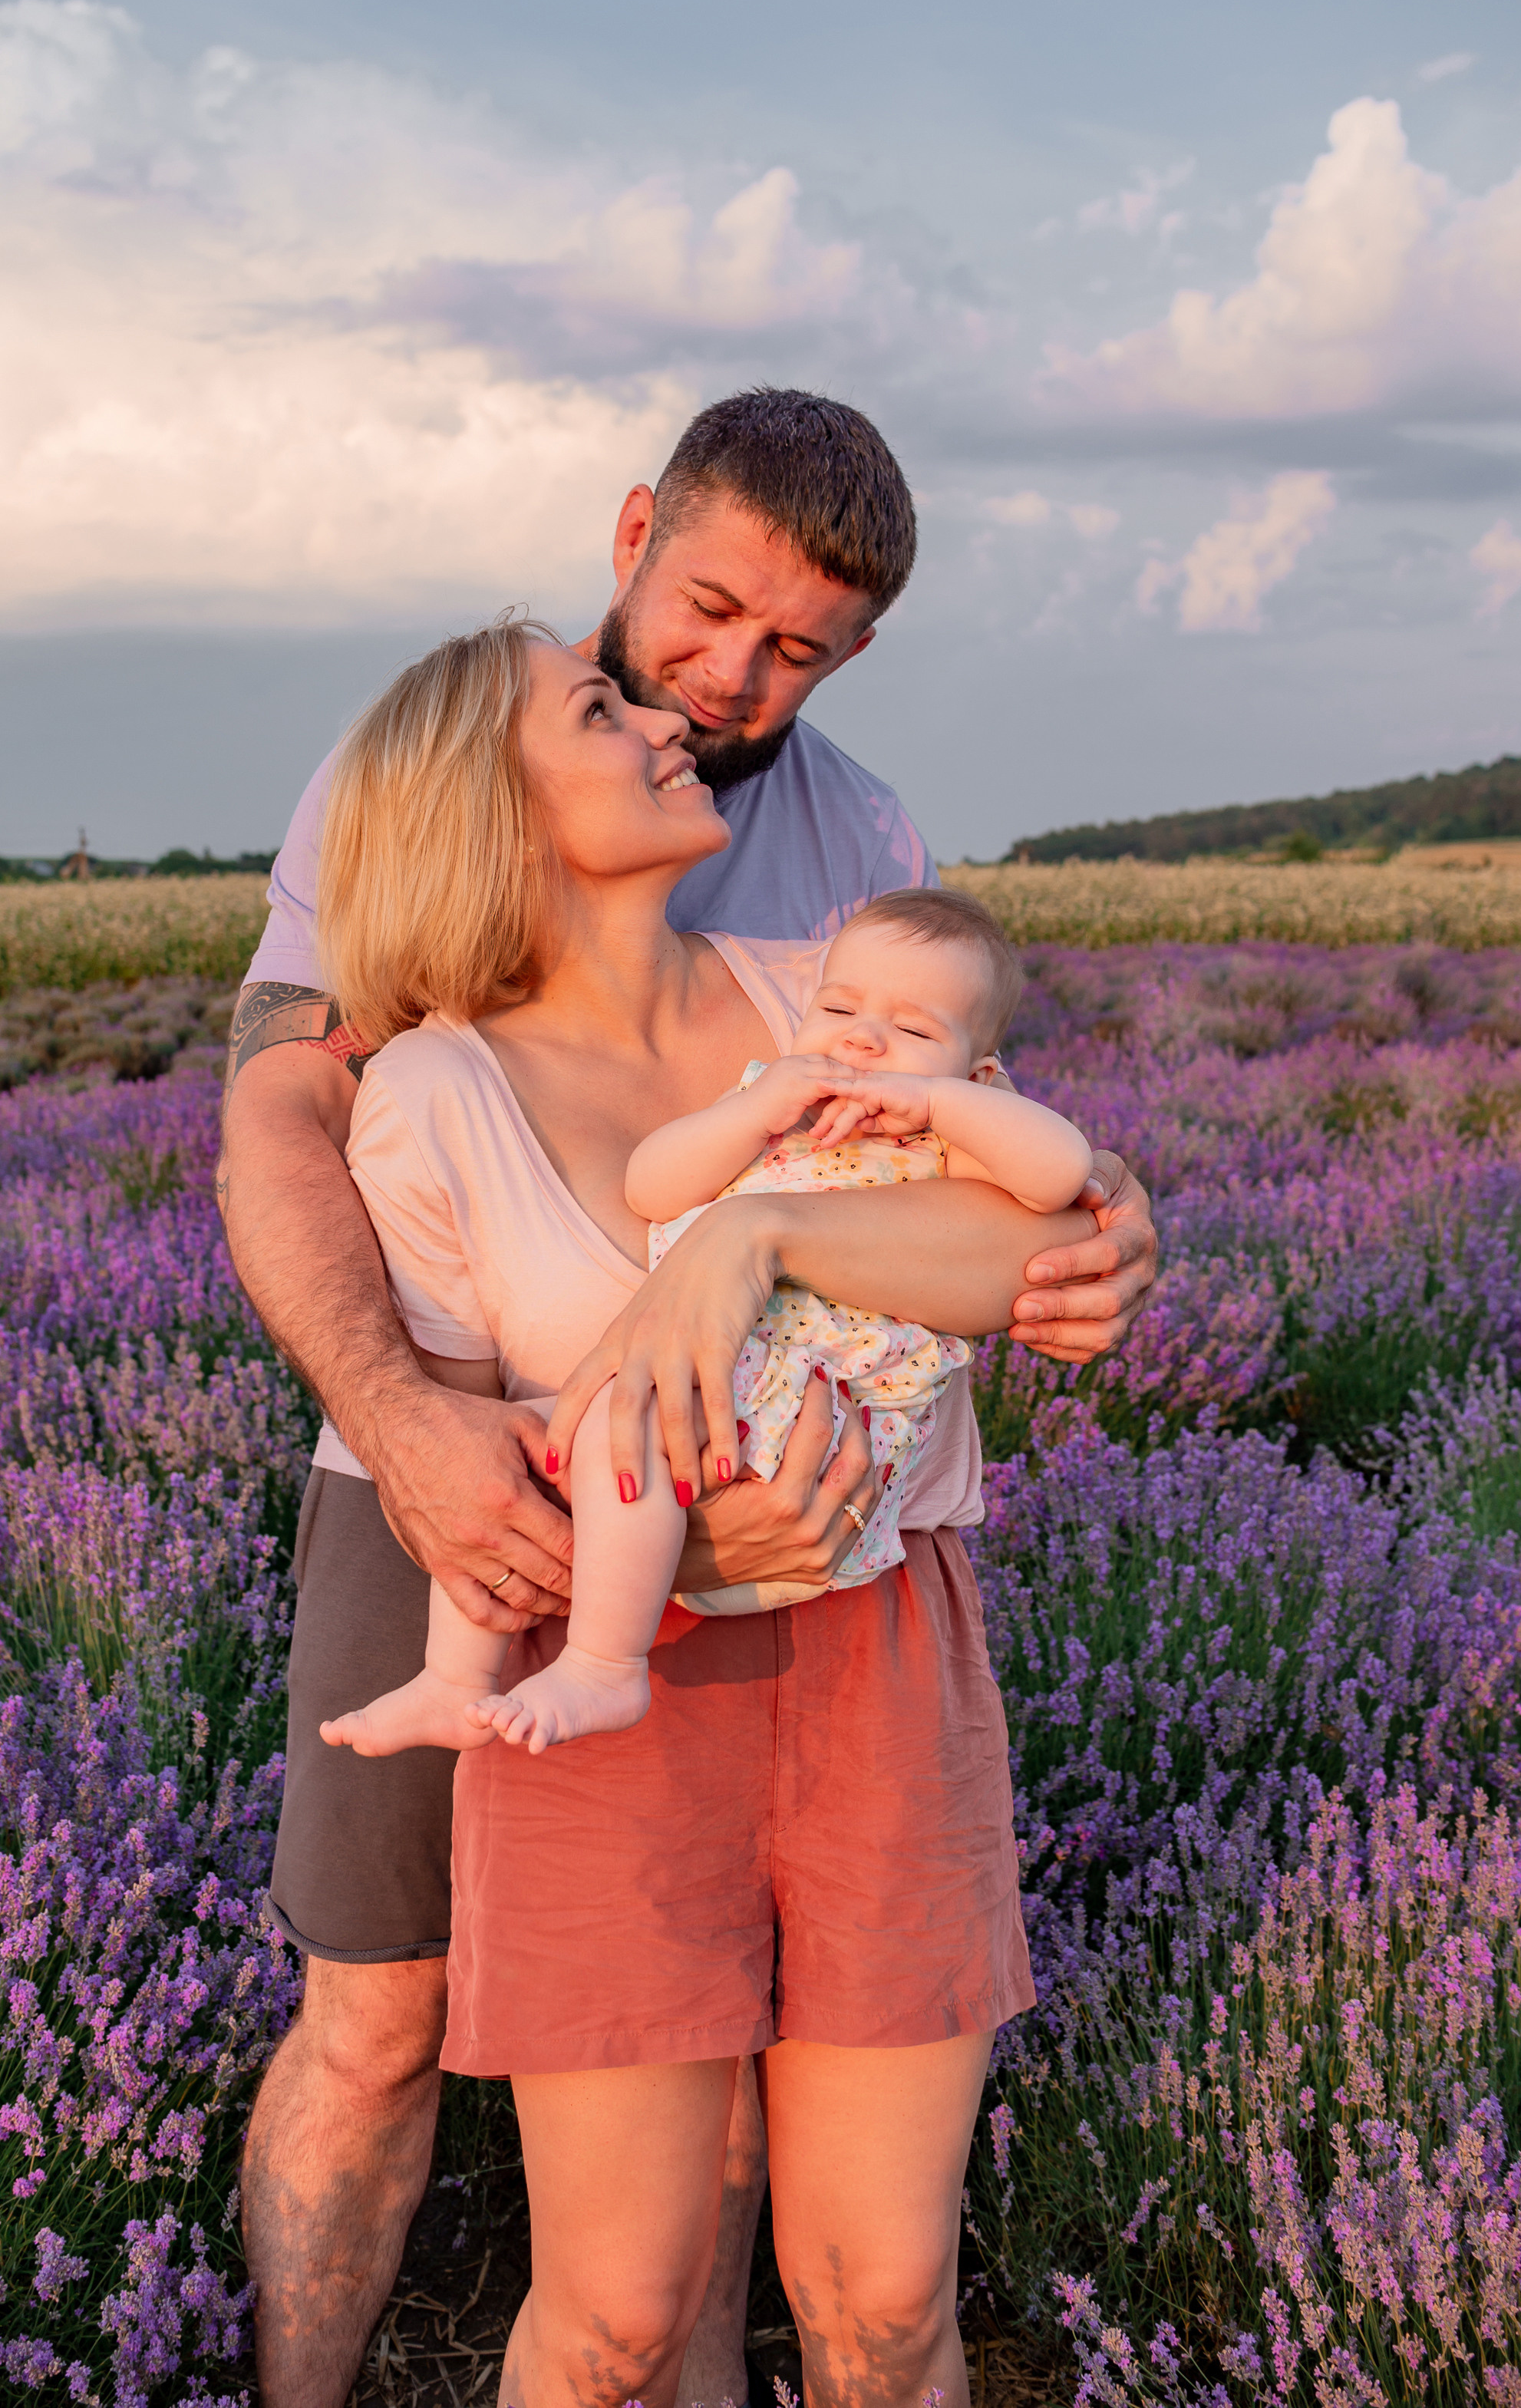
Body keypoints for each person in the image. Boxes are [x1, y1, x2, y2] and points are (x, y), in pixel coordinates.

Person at [219, 389, 1158, 2408]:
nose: (721, 688)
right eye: (705, 611)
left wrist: (1074, 1223)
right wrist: (410, 1426)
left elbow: (958, 1144)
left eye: (793, 649)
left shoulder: (850, 846)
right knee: (377, 2012)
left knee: (760, 2156)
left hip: (817, 1583)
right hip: (455, 1451)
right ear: (637, 526)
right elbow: (286, 1115)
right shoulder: (453, 765)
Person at [318, 879, 1091, 1761]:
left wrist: (943, 1105)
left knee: (614, 1431)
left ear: (977, 1069)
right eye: (836, 1006)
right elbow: (652, 1186)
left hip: (807, 1427)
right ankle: (454, 1680)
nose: (863, 1038)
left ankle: (606, 1661)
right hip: (708, 1382)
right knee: (516, 1461)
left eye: (913, 1031)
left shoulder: (946, 1138)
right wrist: (752, 1110)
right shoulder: (771, 1109)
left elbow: (1058, 1172)